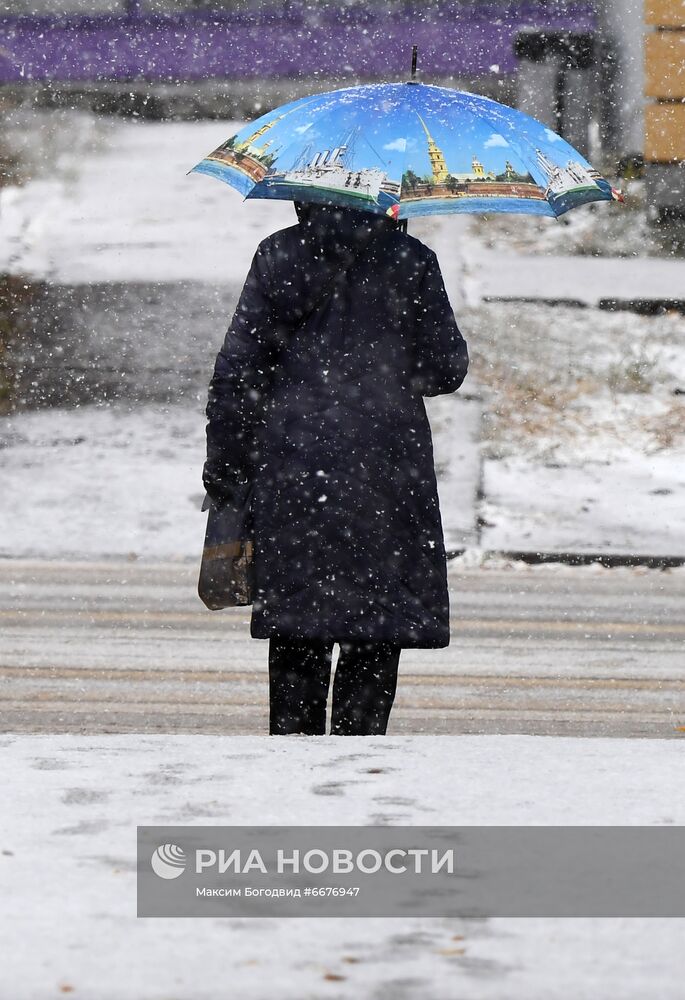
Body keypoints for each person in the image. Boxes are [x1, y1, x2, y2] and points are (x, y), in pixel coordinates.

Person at [203, 201, 468, 736]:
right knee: (373, 630)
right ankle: (357, 771)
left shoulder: (278, 256)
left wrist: (226, 467)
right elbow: (444, 368)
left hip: (294, 463)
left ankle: (295, 771)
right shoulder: (412, 261)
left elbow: (238, 372)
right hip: (387, 469)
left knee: (299, 626)